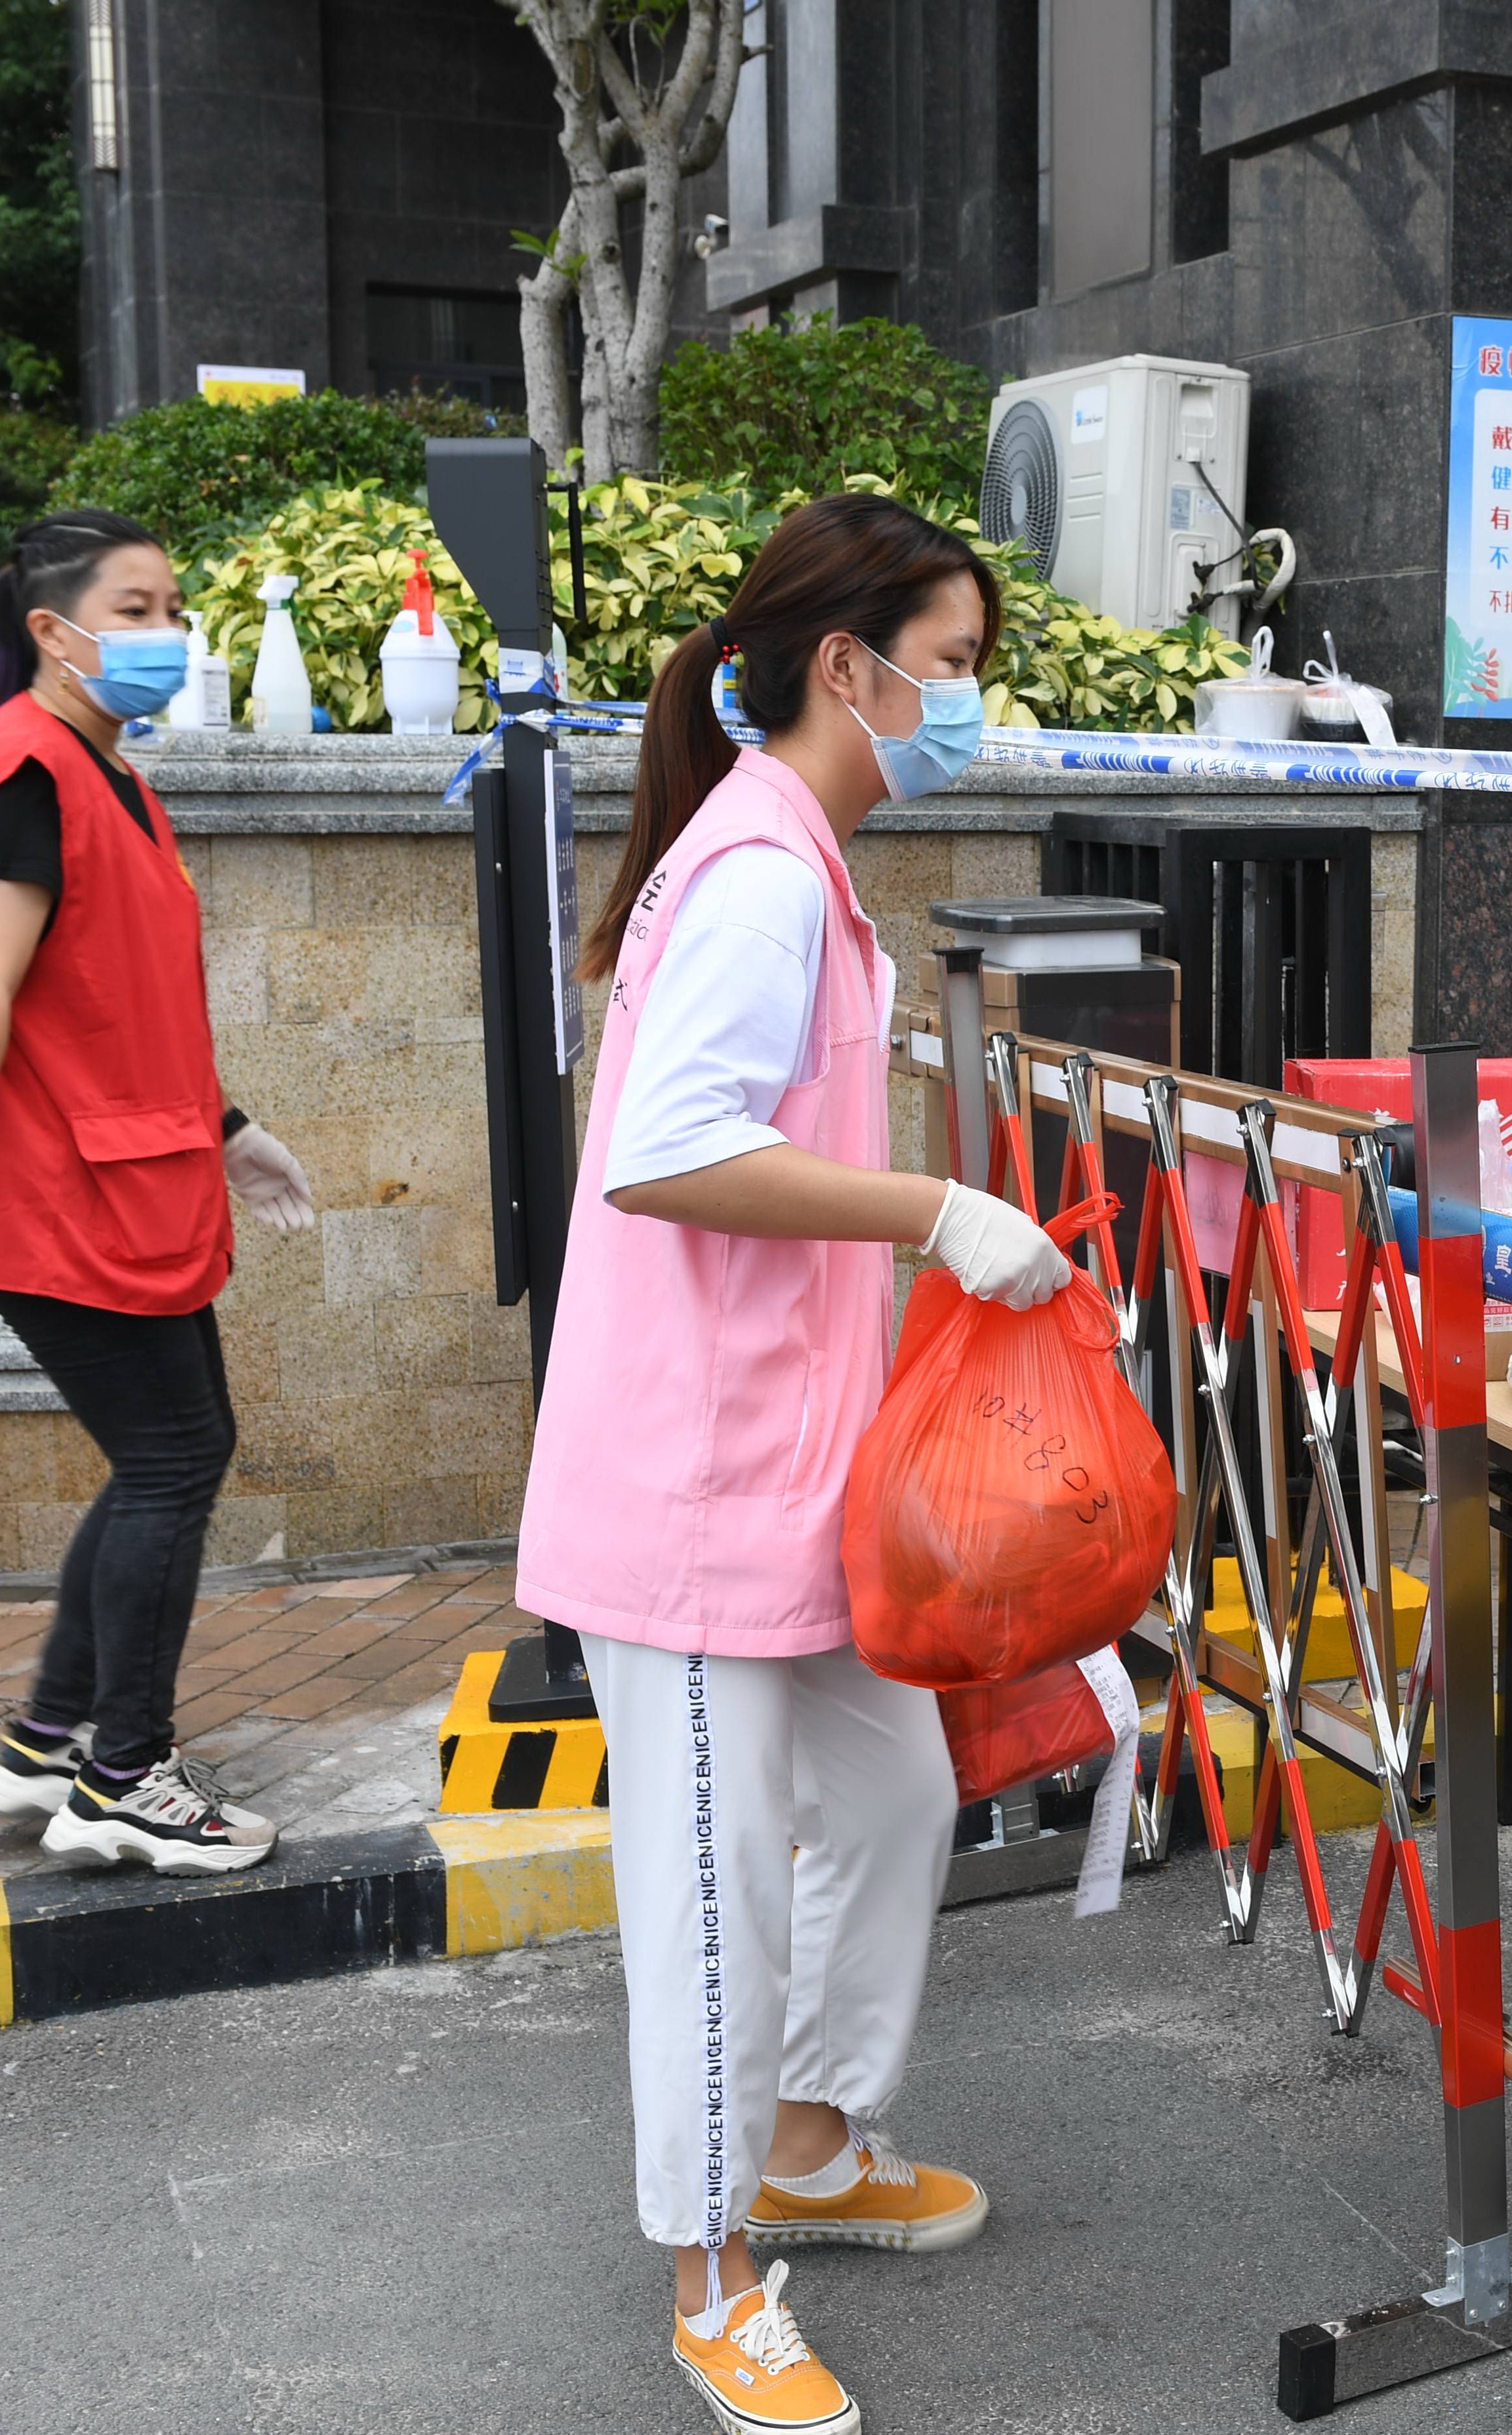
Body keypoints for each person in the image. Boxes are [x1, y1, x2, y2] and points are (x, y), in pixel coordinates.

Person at [512, 491, 1072, 2435]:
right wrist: (933, 1211)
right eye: (958, 664)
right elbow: (667, 1150)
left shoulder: (788, 855)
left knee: (899, 1790)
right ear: (850, 665)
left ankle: (814, 2144)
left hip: (790, 1484)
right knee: (711, 1881)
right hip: (684, 1505)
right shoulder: (757, 872)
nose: (970, 704)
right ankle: (709, 2268)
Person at [0, 510, 317, 1875]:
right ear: (54, 630)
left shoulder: (98, 765)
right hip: (54, 1192)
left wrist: (228, 1124)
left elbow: (108, 992)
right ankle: (122, 1774)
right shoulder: (20, 770)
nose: (165, 630)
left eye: (171, 604)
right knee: (176, 1456)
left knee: (164, 1453)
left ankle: (51, 1736)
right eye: (135, 608)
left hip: (127, 1170)